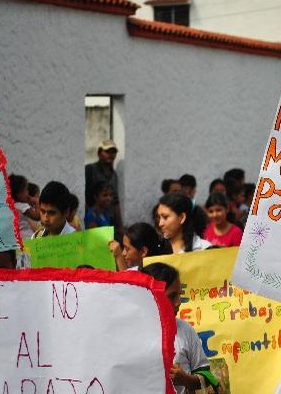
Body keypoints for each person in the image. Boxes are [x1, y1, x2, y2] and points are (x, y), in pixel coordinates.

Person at [140, 263, 218, 394]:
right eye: (171, 296)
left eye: (179, 294)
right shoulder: (132, 333)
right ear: (151, 296)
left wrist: (186, 379)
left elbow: (206, 375)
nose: (178, 302)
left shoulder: (185, 329)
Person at [85, 139, 122, 234]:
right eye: (107, 151)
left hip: (108, 218)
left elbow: (116, 202)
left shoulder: (114, 175)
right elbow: (86, 196)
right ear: (99, 153)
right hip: (94, 219)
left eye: (113, 152)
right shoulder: (90, 170)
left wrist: (120, 226)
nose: (111, 154)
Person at [9, 174, 40, 239]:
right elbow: (37, 216)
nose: (28, 193)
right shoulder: (22, 206)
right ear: (18, 194)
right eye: (26, 190)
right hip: (27, 237)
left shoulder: (11, 206)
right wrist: (37, 202)